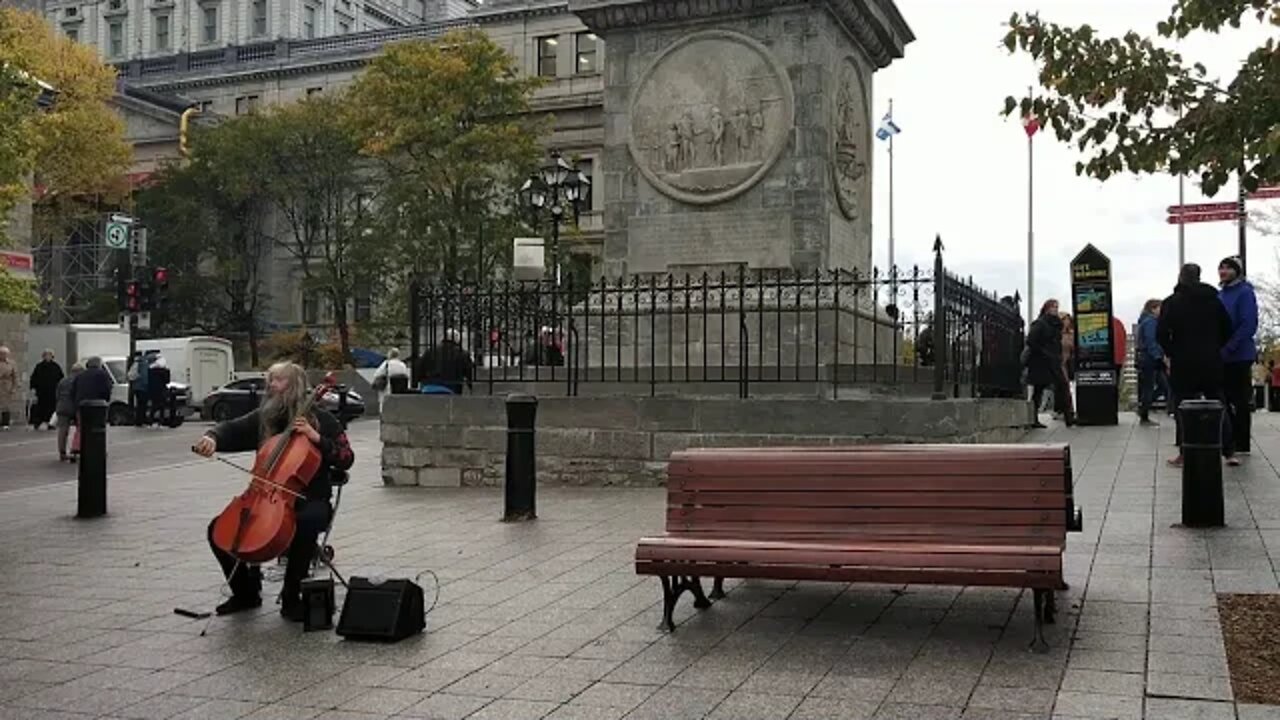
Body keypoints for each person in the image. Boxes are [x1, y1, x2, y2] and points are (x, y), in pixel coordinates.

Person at [193, 361, 354, 619]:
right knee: (218, 530)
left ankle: (292, 597)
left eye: (278, 380)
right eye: (270, 379)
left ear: (294, 386)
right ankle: (245, 593)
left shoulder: (324, 420)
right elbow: (233, 429)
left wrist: (316, 438)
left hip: (310, 498)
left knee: (305, 523)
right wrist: (212, 436)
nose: (271, 385)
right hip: (264, 496)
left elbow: (346, 458)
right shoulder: (266, 418)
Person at [1158, 263, 1235, 467]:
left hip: (1184, 362)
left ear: (1180, 277)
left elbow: (1161, 333)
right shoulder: (1214, 301)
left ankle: (1185, 452)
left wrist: (1172, 352)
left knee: (1182, 406)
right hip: (1210, 360)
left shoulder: (1172, 303)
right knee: (1219, 402)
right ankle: (1229, 451)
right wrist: (1214, 347)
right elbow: (1228, 328)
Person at [1217, 256, 1258, 455]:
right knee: (1224, 398)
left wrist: (1229, 347)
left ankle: (1242, 442)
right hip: (1223, 354)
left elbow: (1248, 324)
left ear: (1237, 271)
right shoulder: (1220, 294)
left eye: (1228, 268)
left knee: (1240, 400)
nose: (1223, 272)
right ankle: (1230, 438)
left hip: (1239, 354)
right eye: (1221, 268)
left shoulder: (1244, 292)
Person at [1023, 299, 1075, 427]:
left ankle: (1069, 417)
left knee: (1063, 386)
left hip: (1054, 360)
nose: (1055, 309)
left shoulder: (1056, 324)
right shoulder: (1040, 324)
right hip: (1041, 362)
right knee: (1039, 390)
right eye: (1053, 307)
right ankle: (1033, 419)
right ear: (1046, 308)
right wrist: (1044, 351)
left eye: (1057, 307)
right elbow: (1031, 341)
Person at [1136, 299, 1170, 426]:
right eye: (1160, 308)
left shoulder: (1145, 321)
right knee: (1150, 387)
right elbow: (1151, 342)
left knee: (1160, 386)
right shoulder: (1151, 322)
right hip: (1150, 359)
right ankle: (1144, 413)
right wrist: (1159, 357)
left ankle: (1144, 408)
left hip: (1147, 358)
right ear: (1153, 308)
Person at [416, 330, 474, 395]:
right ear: (457, 340)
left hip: (428, 387)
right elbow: (469, 373)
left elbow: (420, 369)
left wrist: (421, 380)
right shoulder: (463, 353)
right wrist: (471, 387)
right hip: (450, 388)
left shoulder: (430, 351)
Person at [28, 349, 63, 431]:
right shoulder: (39, 366)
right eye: (46, 355)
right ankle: (37, 422)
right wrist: (33, 387)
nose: (47, 357)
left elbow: (61, 378)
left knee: (52, 408)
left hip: (52, 392)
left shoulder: (56, 367)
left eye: (49, 355)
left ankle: (51, 423)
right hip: (41, 392)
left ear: (52, 356)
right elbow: (34, 378)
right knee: (40, 407)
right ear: (43, 356)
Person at [55, 363, 83, 461]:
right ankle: (76, 449)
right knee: (80, 429)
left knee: (63, 430)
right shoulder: (79, 380)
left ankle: (62, 452)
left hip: (62, 407)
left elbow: (57, 394)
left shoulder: (63, 381)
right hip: (74, 407)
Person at [128, 351, 151, 427]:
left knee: (139, 404)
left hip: (136, 387)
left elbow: (130, 375)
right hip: (142, 387)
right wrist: (147, 385)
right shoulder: (143, 363)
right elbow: (144, 376)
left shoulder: (135, 362)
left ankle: (138, 421)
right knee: (142, 405)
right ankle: (141, 421)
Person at [148, 354, 172, 427]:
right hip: (162, 389)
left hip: (153, 390)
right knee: (162, 407)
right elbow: (167, 381)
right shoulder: (165, 371)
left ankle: (150, 421)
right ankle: (160, 421)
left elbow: (149, 381)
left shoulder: (151, 370)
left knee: (154, 406)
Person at [0, 345, 16, 430]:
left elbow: (15, 376)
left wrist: (14, 387)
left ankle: (5, 423)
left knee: (6, 406)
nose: (2, 355)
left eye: (4, 354)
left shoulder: (11, 363)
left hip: (7, 386)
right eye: (1, 353)